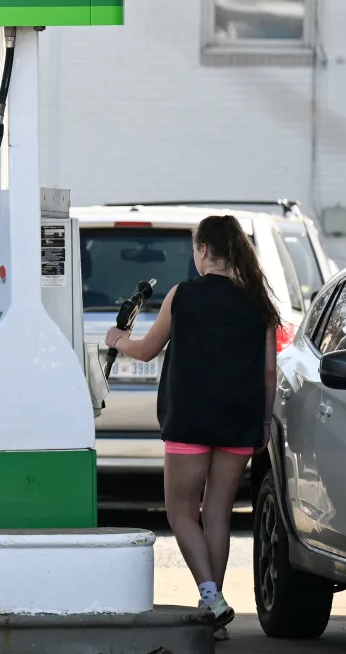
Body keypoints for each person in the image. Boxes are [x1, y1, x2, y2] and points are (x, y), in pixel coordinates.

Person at [104, 215, 278, 640]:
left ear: (202, 251)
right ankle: (209, 613)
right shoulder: (260, 303)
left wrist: (116, 340)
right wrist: (264, 419)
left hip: (190, 419)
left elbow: (145, 350)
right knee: (217, 514)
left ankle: (211, 598)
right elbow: (270, 371)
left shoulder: (183, 296)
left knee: (181, 514)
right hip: (239, 420)